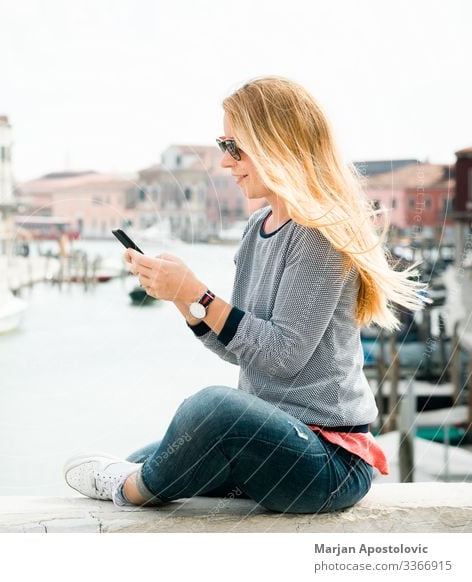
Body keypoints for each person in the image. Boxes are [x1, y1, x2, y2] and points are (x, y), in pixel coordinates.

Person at [63, 76, 429, 513]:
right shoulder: (257, 229)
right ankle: (134, 479)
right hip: (269, 447)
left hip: (328, 460)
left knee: (211, 410)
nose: (225, 162)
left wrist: (196, 290)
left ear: (277, 143)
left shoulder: (320, 233)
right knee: (155, 455)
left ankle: (128, 491)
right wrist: (181, 298)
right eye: (223, 145)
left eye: (235, 147)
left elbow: (283, 356)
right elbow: (241, 351)